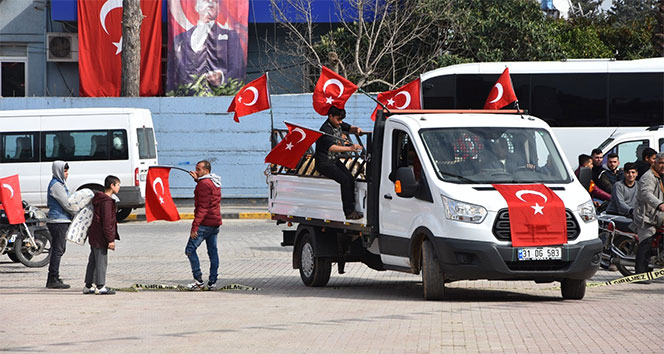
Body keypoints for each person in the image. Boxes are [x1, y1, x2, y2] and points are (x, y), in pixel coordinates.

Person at [167, 0, 244, 94]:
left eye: (215, 1)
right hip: (187, 95)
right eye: (205, 0)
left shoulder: (231, 36)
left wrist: (222, 78)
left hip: (221, 95)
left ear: (218, 8)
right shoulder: (180, 39)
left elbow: (237, 67)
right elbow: (175, 69)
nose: (210, 3)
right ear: (196, 7)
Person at [315, 106, 364, 220]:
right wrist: (350, 148)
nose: (340, 122)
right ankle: (348, 212)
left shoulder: (338, 124)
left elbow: (349, 128)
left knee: (350, 178)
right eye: (338, 119)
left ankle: (353, 207)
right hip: (324, 162)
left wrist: (357, 129)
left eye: (341, 120)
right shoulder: (326, 129)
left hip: (333, 160)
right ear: (330, 116)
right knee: (344, 180)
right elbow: (332, 147)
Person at [186, 160, 222, 289]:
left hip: (205, 224)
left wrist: (195, 227)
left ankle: (198, 280)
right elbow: (208, 195)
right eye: (196, 169)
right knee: (213, 252)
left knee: (190, 250)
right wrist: (198, 180)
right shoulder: (213, 181)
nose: (196, 171)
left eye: (199, 169)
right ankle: (213, 282)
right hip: (215, 223)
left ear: (206, 170)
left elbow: (203, 207)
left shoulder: (204, 184)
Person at [83, 175, 121, 295]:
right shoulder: (107, 202)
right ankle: (100, 286)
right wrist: (110, 240)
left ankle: (88, 285)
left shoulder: (99, 198)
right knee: (101, 261)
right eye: (118, 185)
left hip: (94, 234)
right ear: (112, 186)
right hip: (101, 236)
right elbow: (107, 222)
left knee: (93, 260)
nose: (119, 188)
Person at [632, 152, 664, 284]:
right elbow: (646, 193)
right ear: (654, 162)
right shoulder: (648, 177)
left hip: (657, 216)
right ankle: (640, 275)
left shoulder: (660, 176)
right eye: (661, 163)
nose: (663, 166)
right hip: (646, 216)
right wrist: (659, 204)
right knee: (646, 242)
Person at [46, 161, 76, 289]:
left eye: (67, 171)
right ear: (58, 171)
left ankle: (54, 277)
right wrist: (77, 211)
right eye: (64, 171)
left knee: (59, 249)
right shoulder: (56, 185)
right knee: (58, 250)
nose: (66, 174)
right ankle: (53, 278)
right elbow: (67, 204)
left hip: (61, 220)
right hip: (58, 221)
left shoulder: (61, 184)